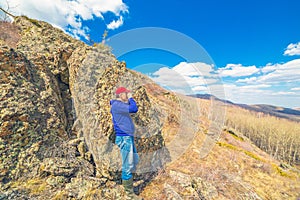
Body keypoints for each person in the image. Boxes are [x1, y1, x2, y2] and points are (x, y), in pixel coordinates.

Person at [110, 87, 141, 199]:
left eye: (128, 94)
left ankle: (129, 182)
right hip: (124, 138)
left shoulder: (120, 105)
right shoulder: (117, 105)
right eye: (126, 93)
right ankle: (129, 193)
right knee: (127, 165)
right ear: (120, 94)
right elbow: (133, 108)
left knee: (135, 160)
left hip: (128, 137)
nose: (127, 95)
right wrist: (132, 98)